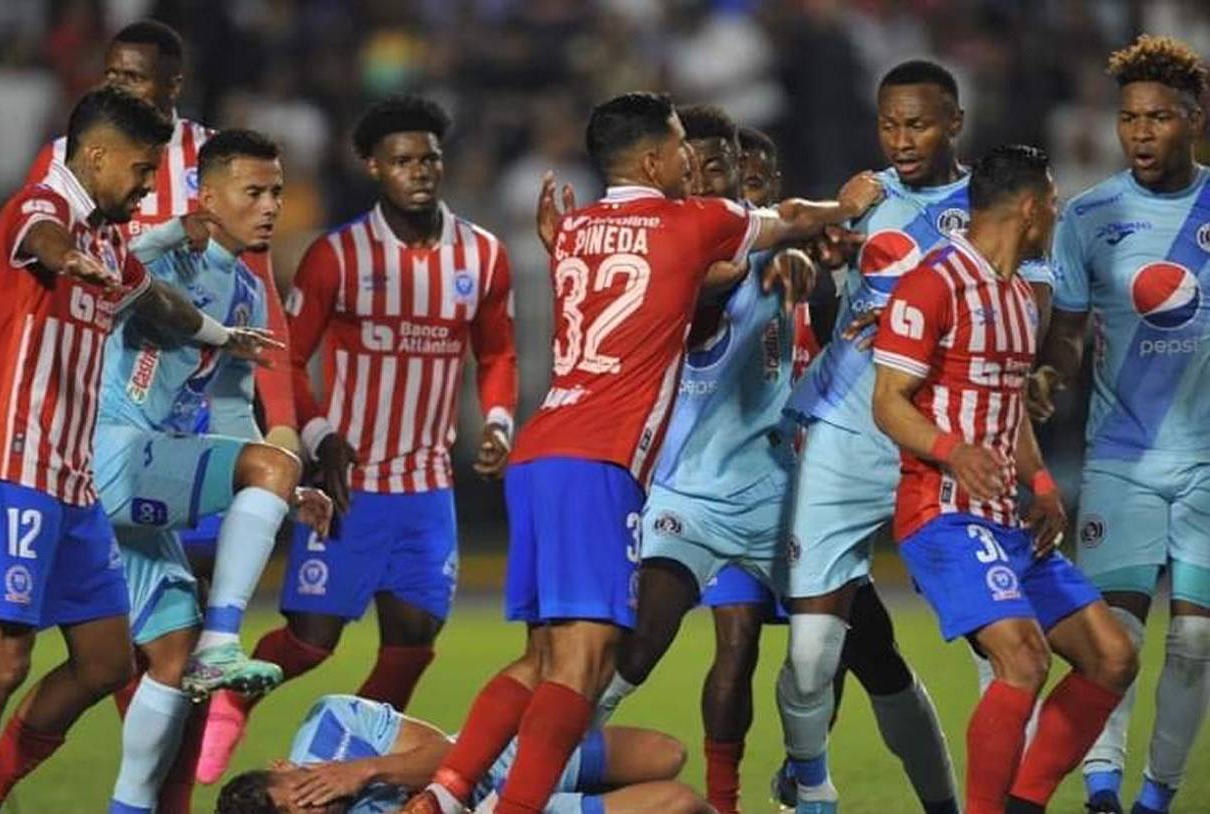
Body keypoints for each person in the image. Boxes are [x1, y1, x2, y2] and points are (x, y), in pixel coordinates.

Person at [403, 90, 877, 814]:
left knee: (542, 658)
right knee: (585, 663)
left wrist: (560, 246)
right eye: (682, 144)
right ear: (655, 159)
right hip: (598, 463)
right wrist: (848, 205)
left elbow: (691, 283)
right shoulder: (693, 221)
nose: (692, 158)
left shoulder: (576, 228)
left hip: (541, 450)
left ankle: (445, 792)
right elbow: (789, 218)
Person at [198, 94, 518, 783]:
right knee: (313, 640)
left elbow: (497, 353)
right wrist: (320, 437)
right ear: (374, 166)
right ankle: (230, 701)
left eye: (429, 158)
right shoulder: (336, 256)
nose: (419, 171)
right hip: (349, 483)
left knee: (413, 639)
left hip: (427, 485)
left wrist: (497, 422)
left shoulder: (483, 255)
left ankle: (351, 764)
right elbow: (287, 357)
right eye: (402, 160)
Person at [771, 60, 1060, 814]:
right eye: (890, 124)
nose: (901, 140)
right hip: (846, 429)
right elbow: (799, 236)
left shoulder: (993, 204)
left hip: (952, 443)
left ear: (955, 122)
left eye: (919, 124)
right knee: (811, 654)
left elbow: (1026, 314)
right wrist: (829, 235)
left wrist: (927, 324)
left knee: (1006, 644)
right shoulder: (865, 198)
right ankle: (808, 780)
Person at [0, 85, 274, 812]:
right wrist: (68, 261)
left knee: (108, 660)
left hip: (74, 483)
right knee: (4, 659)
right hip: (16, 465)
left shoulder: (111, 241)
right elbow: (40, 236)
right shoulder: (44, 206)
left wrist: (221, 336)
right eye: (142, 170)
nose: (148, 186)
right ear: (98, 156)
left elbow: (155, 301)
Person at [872, 144, 1138, 814]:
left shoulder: (1020, 296)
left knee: (1112, 656)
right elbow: (888, 402)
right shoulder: (932, 284)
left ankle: (1025, 805)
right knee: (1022, 658)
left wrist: (1040, 484)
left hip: (1005, 520)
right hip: (941, 513)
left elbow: (1006, 404)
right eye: (1053, 202)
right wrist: (952, 450)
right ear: (1028, 208)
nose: (1056, 213)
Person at [94, 129, 333, 814]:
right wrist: (175, 227)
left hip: (144, 475)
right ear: (208, 198)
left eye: (276, 192)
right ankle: (223, 643)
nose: (270, 207)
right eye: (253, 192)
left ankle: (127, 807)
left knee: (168, 655)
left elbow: (230, 412)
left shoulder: (248, 294)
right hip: (110, 453)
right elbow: (118, 268)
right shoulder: (164, 252)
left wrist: (282, 485)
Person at [1027, 35, 1210, 814]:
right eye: (1129, 117)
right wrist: (1050, 373)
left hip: (1207, 461)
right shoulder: (1091, 215)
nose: (1140, 132)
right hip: (1122, 458)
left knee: (1196, 643)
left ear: (1194, 119)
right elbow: (1069, 330)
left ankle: (1157, 796)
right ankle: (1102, 789)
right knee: (1117, 639)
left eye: (1158, 117)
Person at [24, 19, 298, 449]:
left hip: (188, 401)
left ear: (174, 85)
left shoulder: (217, 159)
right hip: (83, 391)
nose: (116, 87)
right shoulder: (64, 157)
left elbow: (256, 286)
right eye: (110, 74)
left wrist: (282, 419)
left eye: (132, 77)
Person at [215, 694, 713, 814]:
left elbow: (451, 751)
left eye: (302, 793)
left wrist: (366, 769)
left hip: (497, 759)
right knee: (681, 803)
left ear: (283, 766)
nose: (317, 807)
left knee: (665, 754)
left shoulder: (333, 721)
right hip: (496, 809)